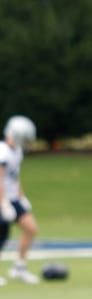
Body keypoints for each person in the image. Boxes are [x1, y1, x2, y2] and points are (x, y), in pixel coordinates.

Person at [0, 115, 40, 285]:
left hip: (12, 197)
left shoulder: (18, 152)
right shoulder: (3, 151)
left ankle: (19, 267)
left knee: (31, 228)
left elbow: (15, 177)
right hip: (2, 198)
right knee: (2, 235)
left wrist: (22, 197)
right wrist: (3, 203)